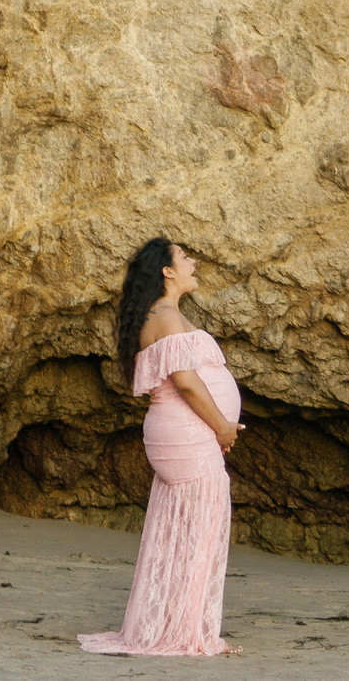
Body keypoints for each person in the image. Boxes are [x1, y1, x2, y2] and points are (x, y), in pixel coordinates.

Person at [80, 238, 245, 658]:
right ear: (167, 272)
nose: (194, 262)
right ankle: (186, 632)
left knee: (185, 529)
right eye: (185, 257)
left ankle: (175, 624)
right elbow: (187, 384)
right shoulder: (167, 318)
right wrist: (223, 427)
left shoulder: (164, 315)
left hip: (183, 434)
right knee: (200, 529)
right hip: (186, 433)